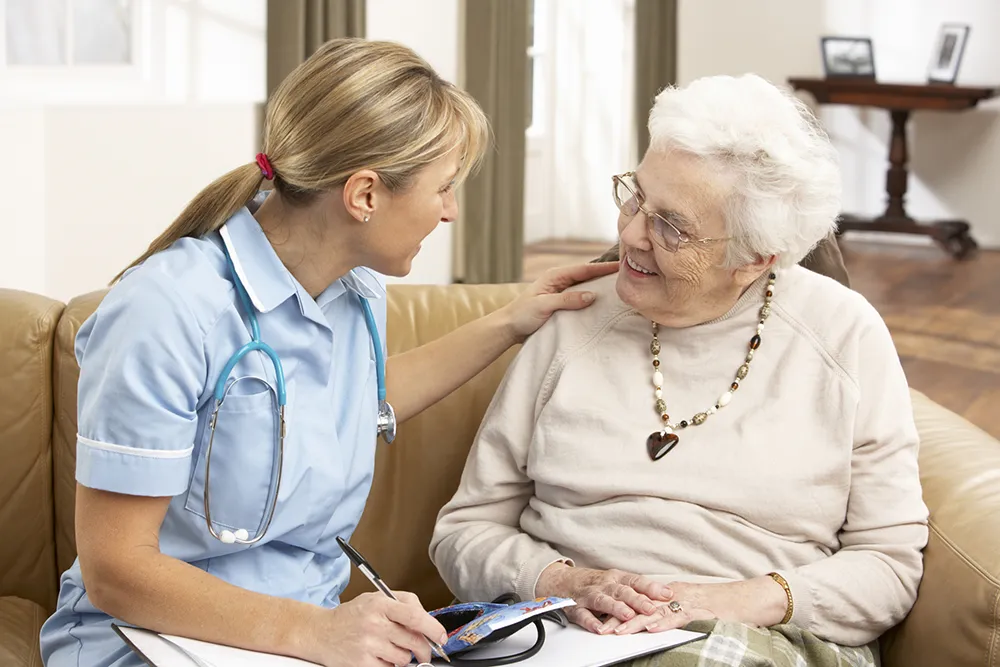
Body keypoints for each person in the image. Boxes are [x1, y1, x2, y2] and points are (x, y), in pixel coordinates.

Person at [38, 38, 616, 667]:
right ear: (365, 195)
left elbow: (357, 399)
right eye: (444, 188)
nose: (451, 212)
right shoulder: (165, 311)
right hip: (146, 646)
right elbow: (117, 570)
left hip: (302, 642)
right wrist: (316, 633)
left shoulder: (352, 289)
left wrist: (511, 320)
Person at [429, 73, 929, 667]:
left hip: (760, 638)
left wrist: (718, 601)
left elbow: (889, 566)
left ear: (755, 258)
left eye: (672, 225)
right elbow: (463, 531)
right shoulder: (573, 321)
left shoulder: (842, 335)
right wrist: (565, 583)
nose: (632, 234)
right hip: (556, 630)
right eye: (636, 196)